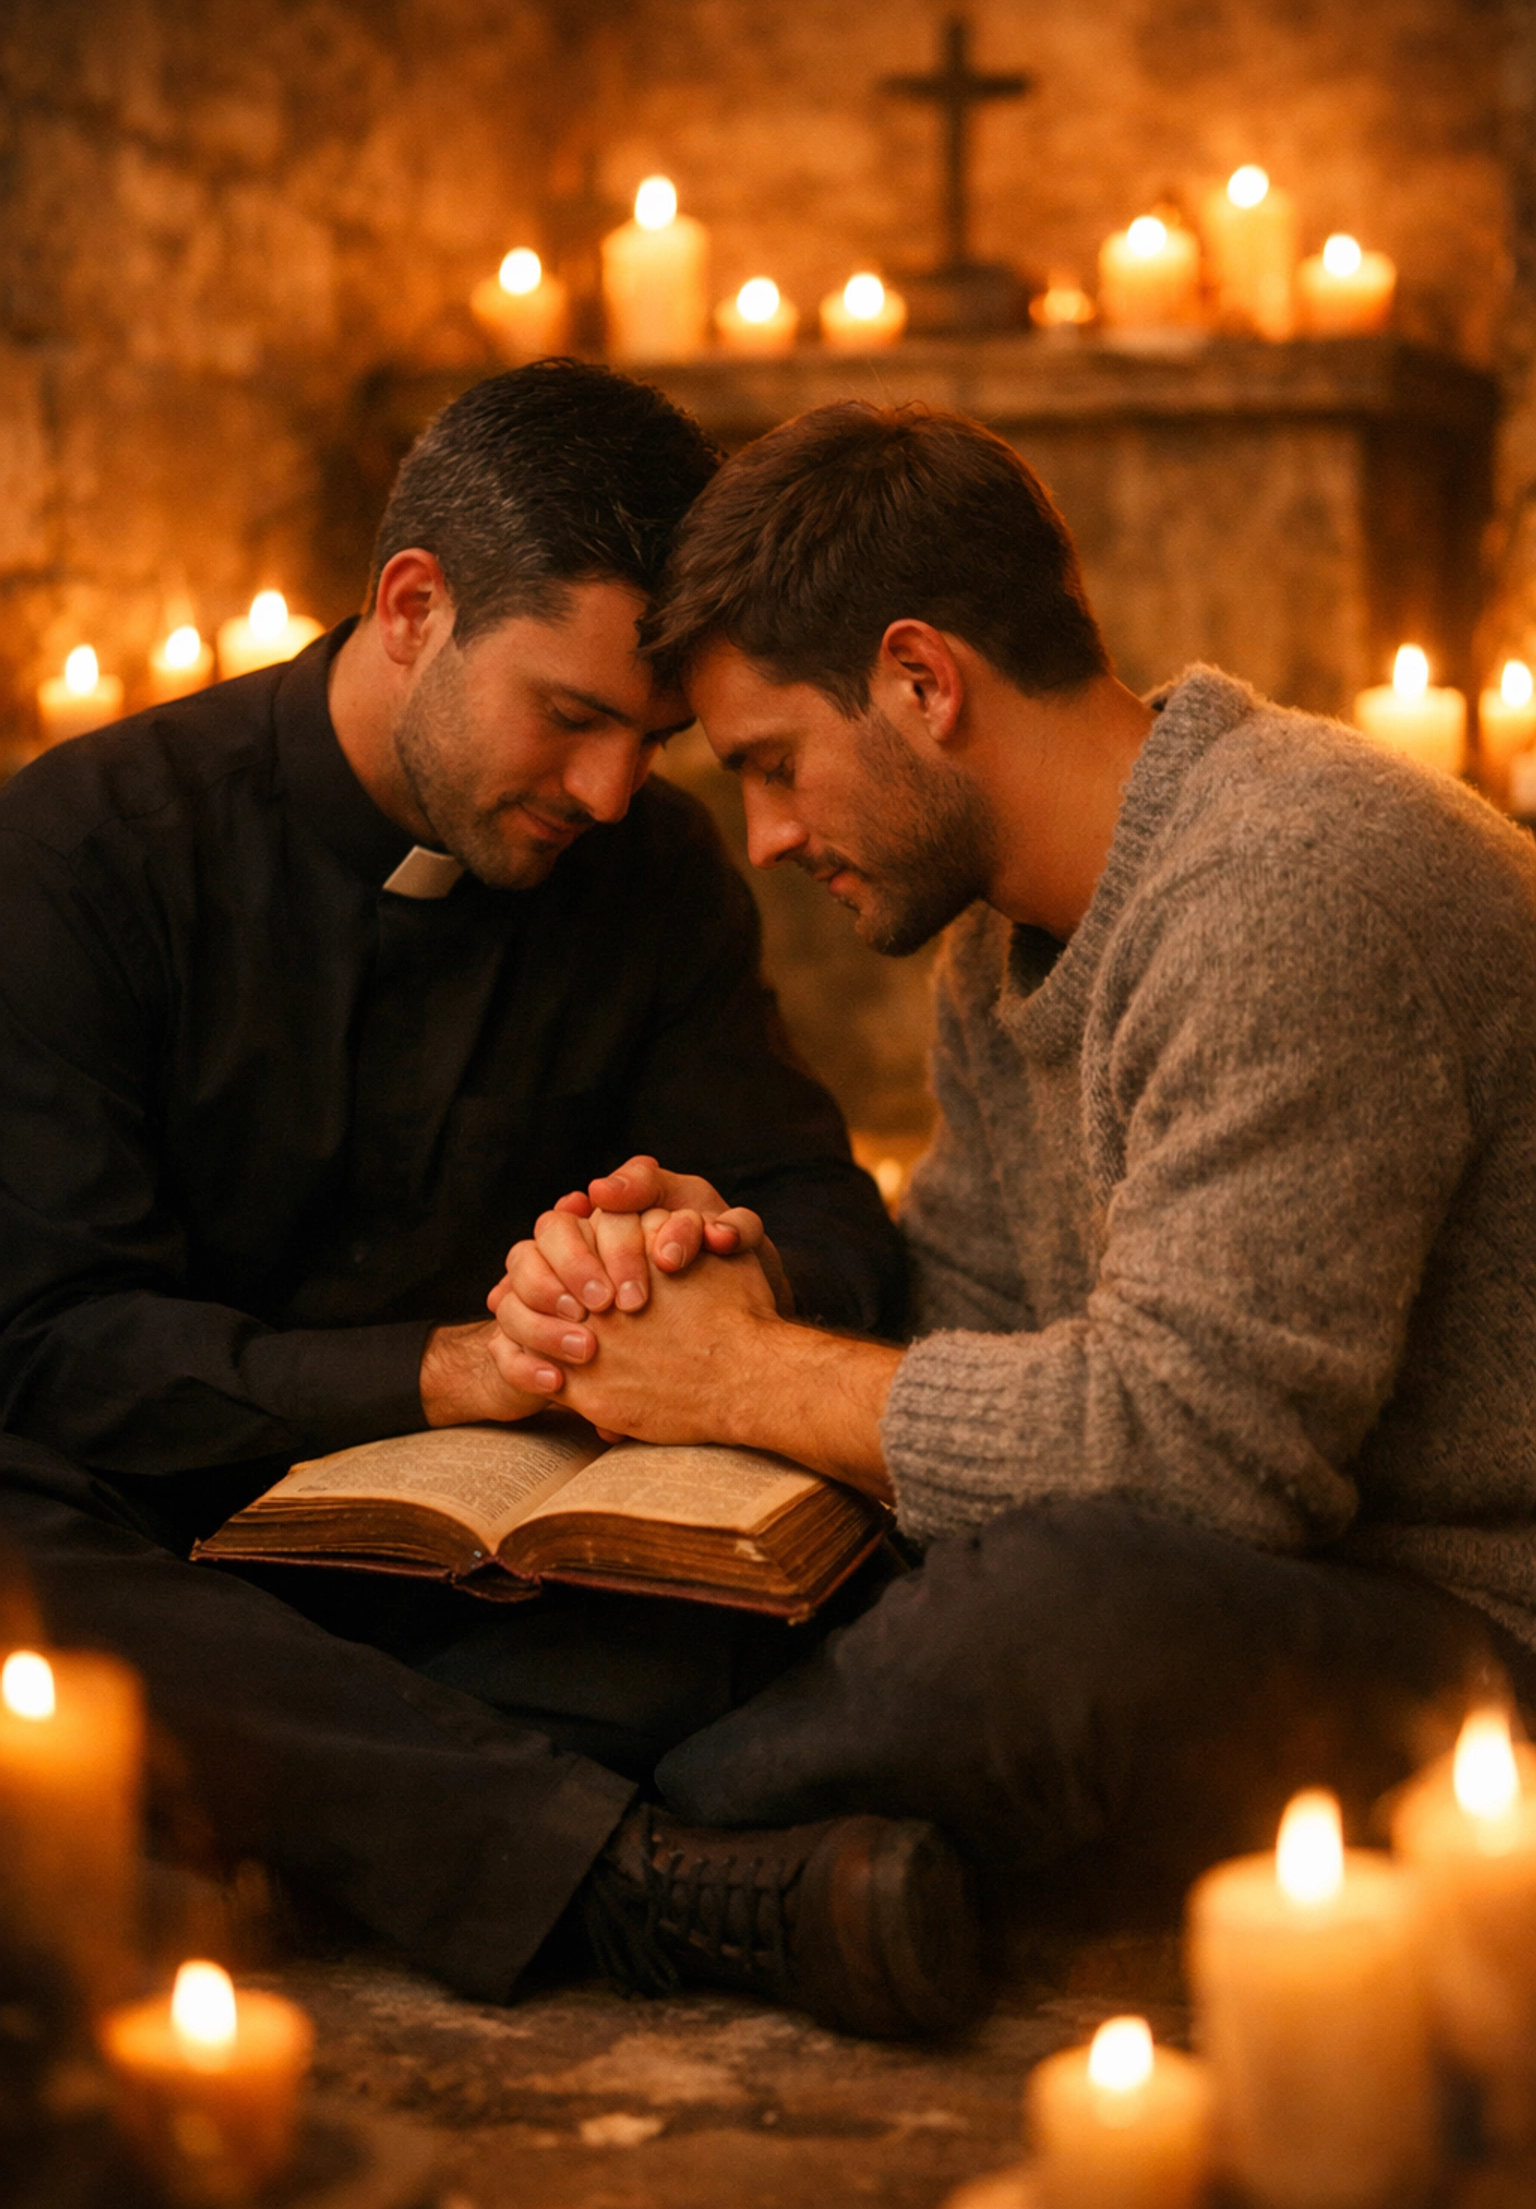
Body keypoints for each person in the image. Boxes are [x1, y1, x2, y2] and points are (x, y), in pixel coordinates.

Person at [0, 364, 982, 2045]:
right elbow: (49, 1352)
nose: (609, 793)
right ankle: (633, 1883)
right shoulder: (83, 852)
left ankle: (303, 1819)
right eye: (570, 716)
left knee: (820, 1583)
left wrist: (707, 1249)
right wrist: (448, 1368)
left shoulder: (647, 874)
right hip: (159, 1549)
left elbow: (828, 1214)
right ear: (414, 609)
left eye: (650, 740)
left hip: (484, 1593)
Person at [491, 399, 1536, 1923]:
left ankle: (634, 1855)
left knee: (1048, 1625)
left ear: (922, 680)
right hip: (1260, 1574)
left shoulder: (1291, 885)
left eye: (776, 763)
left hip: (1470, 1624)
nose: (765, 837)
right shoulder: (995, 939)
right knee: (661, 1598)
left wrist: (739, 1374)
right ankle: (711, 1843)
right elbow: (962, 1333)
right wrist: (734, 1281)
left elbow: (1202, 1463)